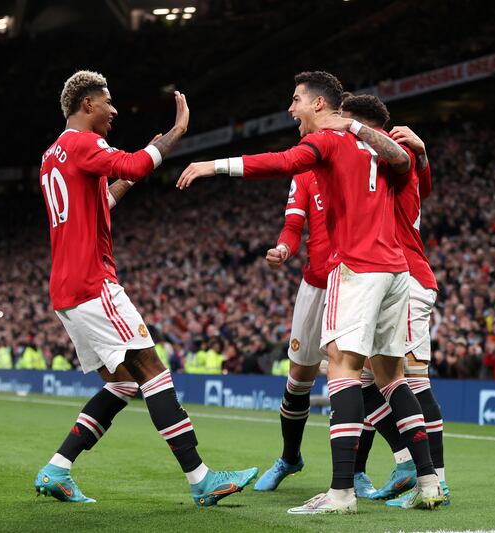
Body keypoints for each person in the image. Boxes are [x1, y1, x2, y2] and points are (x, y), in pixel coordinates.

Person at [178, 71, 442, 513]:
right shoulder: (376, 144)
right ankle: (430, 482)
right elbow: (404, 162)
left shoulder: (330, 141)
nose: (291, 107)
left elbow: (280, 162)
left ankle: (340, 493)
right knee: (392, 377)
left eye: (296, 99)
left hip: (355, 268)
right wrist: (361, 128)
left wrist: (213, 165)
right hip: (397, 271)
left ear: (320, 104)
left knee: (340, 368)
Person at [33, 70, 257, 506]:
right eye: (107, 102)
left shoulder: (51, 155)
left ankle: (57, 469)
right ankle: (201, 479)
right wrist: (174, 135)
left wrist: (135, 171)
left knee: (122, 385)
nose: (114, 110)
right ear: (86, 106)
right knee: (153, 373)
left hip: (65, 289)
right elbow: (135, 163)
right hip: (93, 284)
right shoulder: (84, 142)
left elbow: (103, 200)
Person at [338, 95, 450, 505]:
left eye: (345, 121)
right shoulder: (392, 160)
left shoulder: (387, 158)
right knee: (366, 382)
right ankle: (407, 464)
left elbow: (409, 169)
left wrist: (418, 153)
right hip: (390, 280)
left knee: (413, 382)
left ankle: (435, 479)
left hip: (407, 279)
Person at [253, 167, 331, 492]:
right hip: (314, 283)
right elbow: (293, 226)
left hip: (354, 278)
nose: (290, 112)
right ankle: (289, 458)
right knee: (299, 377)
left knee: (355, 374)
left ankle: (355, 472)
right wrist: (284, 249)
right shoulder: (305, 173)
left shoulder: (357, 156)